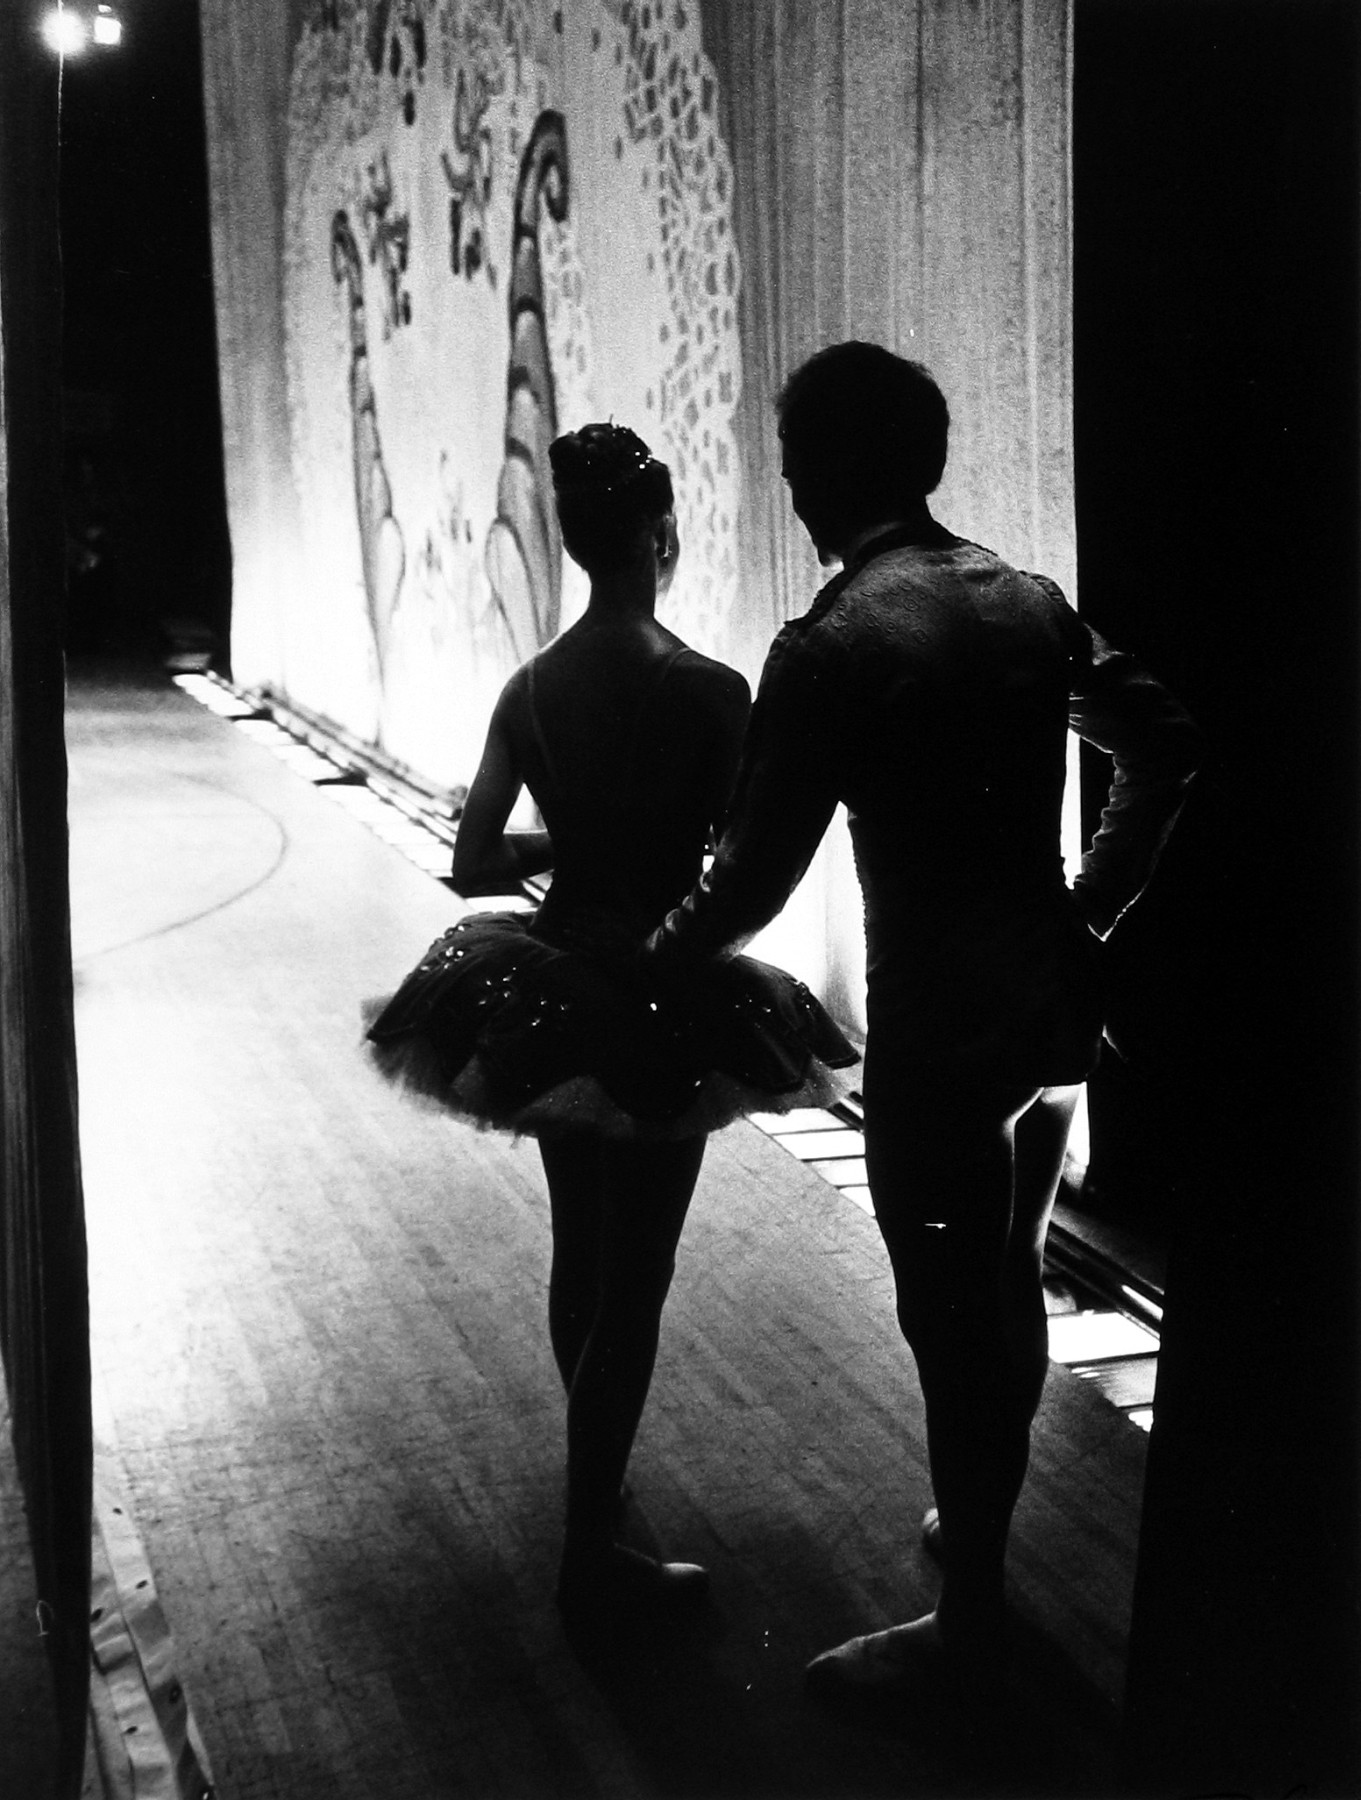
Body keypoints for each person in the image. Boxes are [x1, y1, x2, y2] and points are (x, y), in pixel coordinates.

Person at [646, 343, 1201, 1702]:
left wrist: (648, 956)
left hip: (937, 1031)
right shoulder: (1023, 601)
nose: (788, 495)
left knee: (946, 1310)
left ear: (835, 472)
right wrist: (1088, 908)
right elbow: (1164, 740)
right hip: (1052, 1011)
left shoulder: (829, 643)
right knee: (1004, 1280)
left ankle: (967, 1631)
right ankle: (978, 1536)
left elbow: (751, 884)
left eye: (792, 470)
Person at [365, 423, 856, 1627]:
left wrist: (566, 844)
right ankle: (592, 1555)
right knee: (638, 1274)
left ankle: (599, 1487)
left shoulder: (527, 687)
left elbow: (475, 857)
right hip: (661, 981)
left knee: (580, 1250)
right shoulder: (704, 686)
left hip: (548, 978)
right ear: (658, 533)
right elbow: (742, 860)